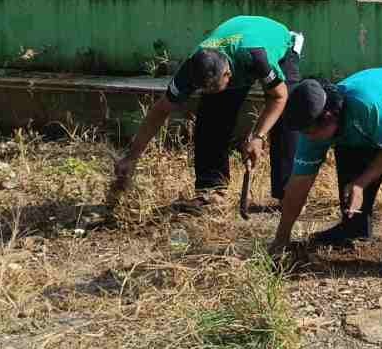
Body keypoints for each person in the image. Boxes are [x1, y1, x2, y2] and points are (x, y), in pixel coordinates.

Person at [269, 67, 382, 276]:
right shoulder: (312, 128)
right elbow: (298, 184)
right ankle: (354, 228)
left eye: (311, 132)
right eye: (304, 132)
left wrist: (360, 184)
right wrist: (281, 238)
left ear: (330, 115)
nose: (308, 138)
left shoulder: (368, 106)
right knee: (348, 150)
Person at [113, 15, 304, 208]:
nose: (207, 92)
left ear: (228, 74)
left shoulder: (257, 57)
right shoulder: (191, 68)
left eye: (213, 87)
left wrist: (258, 136)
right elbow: (161, 110)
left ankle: (289, 194)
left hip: (279, 42)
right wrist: (131, 157)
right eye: (204, 88)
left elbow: (279, 97)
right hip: (238, 43)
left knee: (289, 114)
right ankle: (212, 190)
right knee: (211, 114)